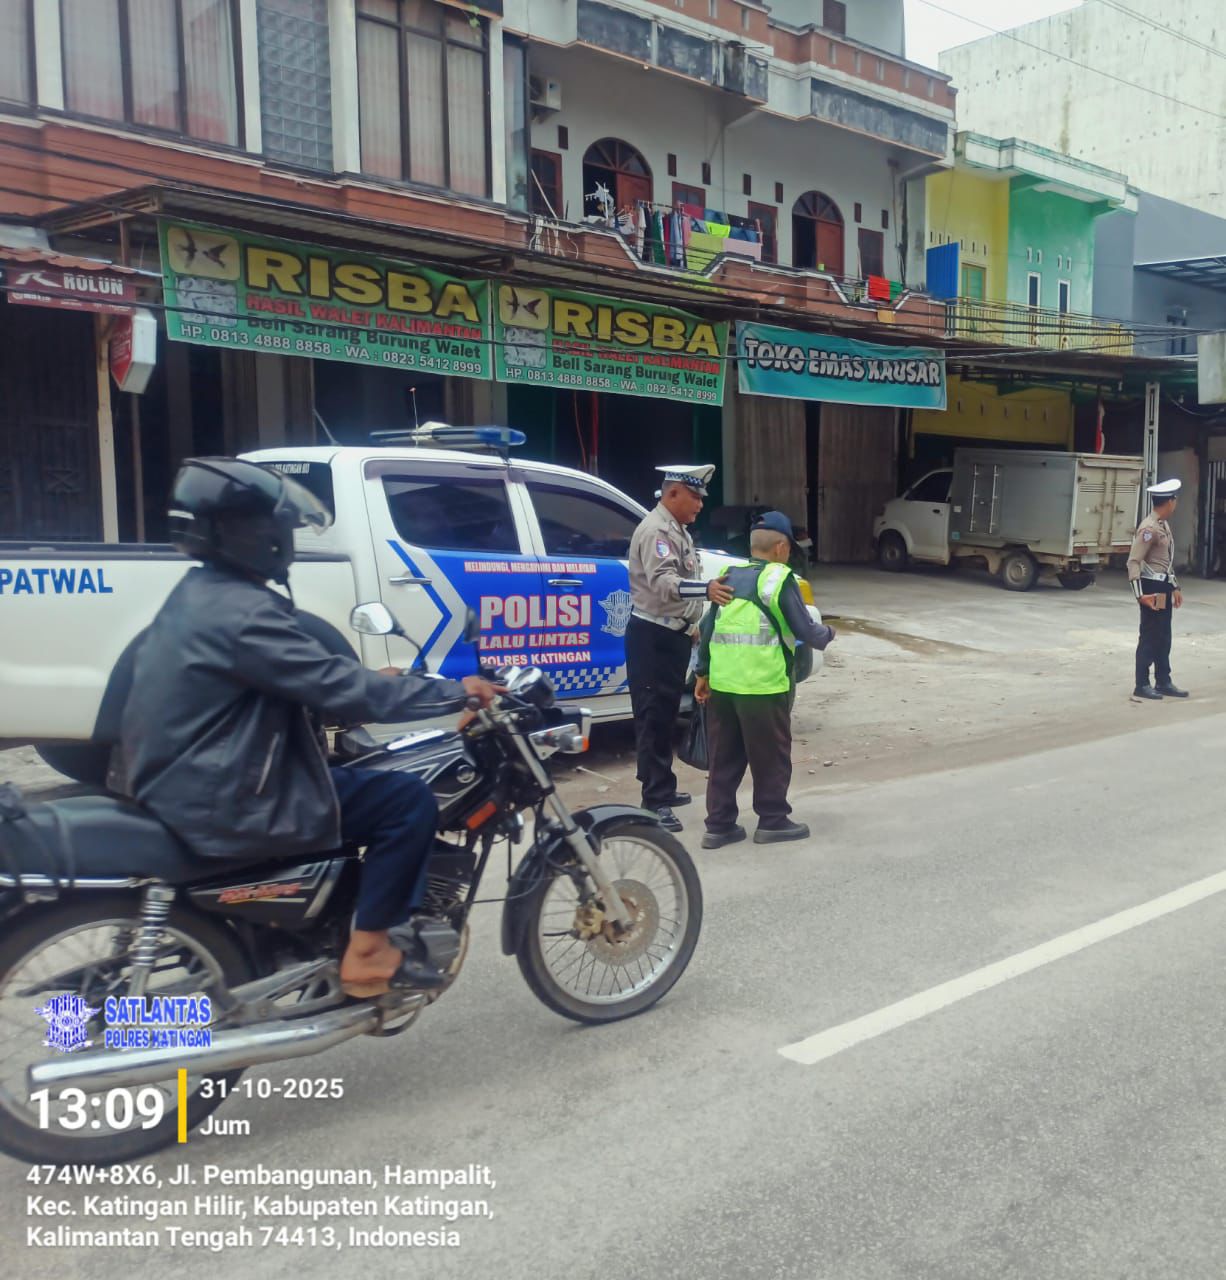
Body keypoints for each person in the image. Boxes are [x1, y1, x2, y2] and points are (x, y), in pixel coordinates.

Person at [119, 457, 499, 997]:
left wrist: (365, 682)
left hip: (186, 780)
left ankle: (329, 919)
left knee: (359, 778)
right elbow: (343, 689)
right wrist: (453, 691)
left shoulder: (201, 594)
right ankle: (368, 955)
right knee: (406, 799)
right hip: (228, 796)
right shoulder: (245, 613)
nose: (287, 538)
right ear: (251, 532)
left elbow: (293, 683)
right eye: (281, 527)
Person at [693, 511, 835, 848]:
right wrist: (829, 632)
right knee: (770, 755)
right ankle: (773, 820)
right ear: (782, 547)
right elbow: (805, 630)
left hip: (724, 685)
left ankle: (719, 825)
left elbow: (708, 627)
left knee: (724, 757)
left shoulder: (727, 575)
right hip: (763, 685)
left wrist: (702, 672)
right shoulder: (779, 578)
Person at [626, 463, 733, 832]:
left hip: (671, 635)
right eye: (696, 497)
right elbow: (663, 583)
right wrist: (705, 590)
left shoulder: (676, 531)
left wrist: (691, 625)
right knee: (653, 718)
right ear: (673, 494)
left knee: (666, 714)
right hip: (652, 638)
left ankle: (664, 789)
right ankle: (653, 800)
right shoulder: (657, 531)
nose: (701, 505)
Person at [1127, 478, 1188, 700]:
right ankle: (1141, 684)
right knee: (1150, 634)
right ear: (1169, 502)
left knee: (1163, 634)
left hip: (1162, 587)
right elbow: (1133, 561)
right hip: (1151, 588)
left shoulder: (1163, 524)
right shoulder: (1149, 528)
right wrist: (1140, 595)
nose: (1176, 504)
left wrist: (1175, 586)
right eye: (1175, 500)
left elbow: (1164, 561)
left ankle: (1163, 680)